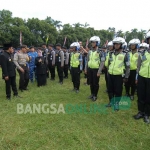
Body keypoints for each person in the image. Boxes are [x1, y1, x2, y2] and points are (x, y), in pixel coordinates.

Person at [106, 37, 130, 110]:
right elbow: (109, 64)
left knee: (118, 91)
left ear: (122, 45)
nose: (116, 45)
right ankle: (111, 101)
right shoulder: (111, 53)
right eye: (115, 44)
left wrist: (126, 77)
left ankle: (116, 104)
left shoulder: (125, 54)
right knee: (110, 89)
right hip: (110, 75)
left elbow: (128, 66)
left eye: (118, 44)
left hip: (119, 76)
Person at [133, 31, 150, 123]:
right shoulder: (142, 53)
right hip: (142, 76)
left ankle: (147, 114)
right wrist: (136, 77)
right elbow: (138, 66)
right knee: (140, 95)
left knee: (148, 97)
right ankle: (141, 112)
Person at [85, 36, 105, 101]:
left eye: (94, 42)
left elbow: (102, 62)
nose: (92, 44)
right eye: (92, 42)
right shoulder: (90, 52)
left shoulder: (100, 52)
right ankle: (92, 94)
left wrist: (99, 71)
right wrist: (86, 69)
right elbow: (87, 60)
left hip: (96, 70)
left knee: (95, 83)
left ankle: (95, 95)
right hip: (90, 69)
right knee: (91, 82)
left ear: (97, 43)